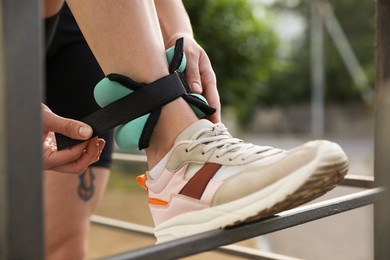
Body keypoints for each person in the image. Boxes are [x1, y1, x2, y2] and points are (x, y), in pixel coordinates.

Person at [43, 0, 349, 258]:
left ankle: (176, 168)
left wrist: (180, 32)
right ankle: (183, 165)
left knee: (62, 245)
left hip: (87, 26)